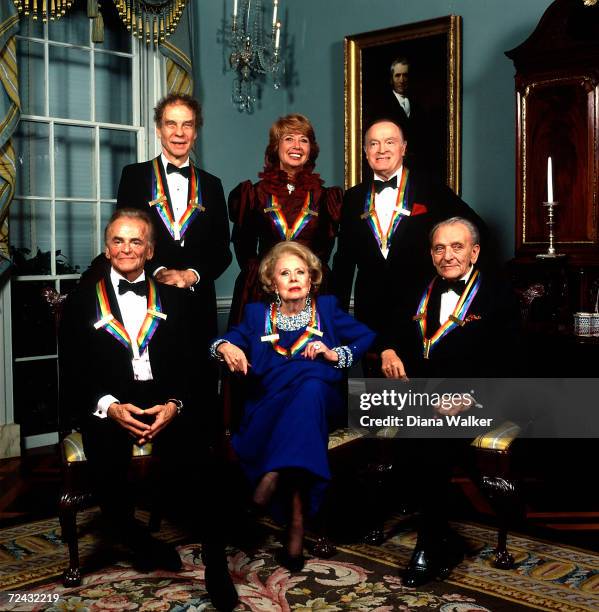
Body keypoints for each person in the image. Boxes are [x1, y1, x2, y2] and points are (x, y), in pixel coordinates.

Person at [59, 209, 238, 611]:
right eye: (118, 241)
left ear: (150, 250)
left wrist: (174, 405)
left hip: (165, 397)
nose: (126, 249)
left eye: (135, 241)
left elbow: (194, 364)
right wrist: (110, 407)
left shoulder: (176, 298)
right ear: (107, 249)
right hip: (111, 401)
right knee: (107, 462)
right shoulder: (82, 300)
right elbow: (72, 371)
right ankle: (137, 537)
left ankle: (216, 564)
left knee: (205, 462)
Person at [211, 242, 375, 570]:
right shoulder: (258, 315)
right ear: (272, 282)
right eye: (285, 273)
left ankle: (270, 475)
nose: (294, 278)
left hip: (320, 402)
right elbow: (220, 342)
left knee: (311, 388)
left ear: (312, 279)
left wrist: (334, 354)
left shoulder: (327, 309)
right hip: (270, 404)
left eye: (301, 272)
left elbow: (366, 336)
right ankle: (297, 523)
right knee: (301, 419)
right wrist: (226, 346)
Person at [379, 217, 519, 587]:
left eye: (457, 247)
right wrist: (389, 350)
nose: (447, 255)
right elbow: (391, 327)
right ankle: (443, 536)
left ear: (474, 251)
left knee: (425, 432)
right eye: (439, 248)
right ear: (431, 253)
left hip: (481, 396)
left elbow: (507, 361)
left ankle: (429, 542)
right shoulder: (418, 289)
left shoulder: (498, 294)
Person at [115, 92, 232, 437]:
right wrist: (157, 271)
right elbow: (125, 237)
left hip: (198, 306)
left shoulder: (212, 185)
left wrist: (191, 274)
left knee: (198, 396)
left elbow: (222, 250)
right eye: (171, 124)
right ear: (159, 129)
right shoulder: (134, 176)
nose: (179, 132)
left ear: (196, 132)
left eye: (187, 125)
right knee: (155, 390)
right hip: (150, 301)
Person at [331, 117, 485, 342]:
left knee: (415, 377)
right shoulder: (353, 197)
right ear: (365, 152)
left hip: (419, 310)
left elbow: (477, 230)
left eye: (390, 142)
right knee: (372, 378)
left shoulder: (430, 188)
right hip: (369, 314)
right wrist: (337, 318)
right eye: (374, 144)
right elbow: (344, 262)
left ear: (403, 148)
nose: (381, 149)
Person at [227, 113, 342, 326]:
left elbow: (327, 247)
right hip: (263, 289)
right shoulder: (253, 193)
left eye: (304, 140)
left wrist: (309, 276)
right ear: (275, 147)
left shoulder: (326, 197)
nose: (297, 146)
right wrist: (264, 277)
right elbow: (244, 247)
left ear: (311, 150)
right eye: (289, 138)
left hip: (313, 289)